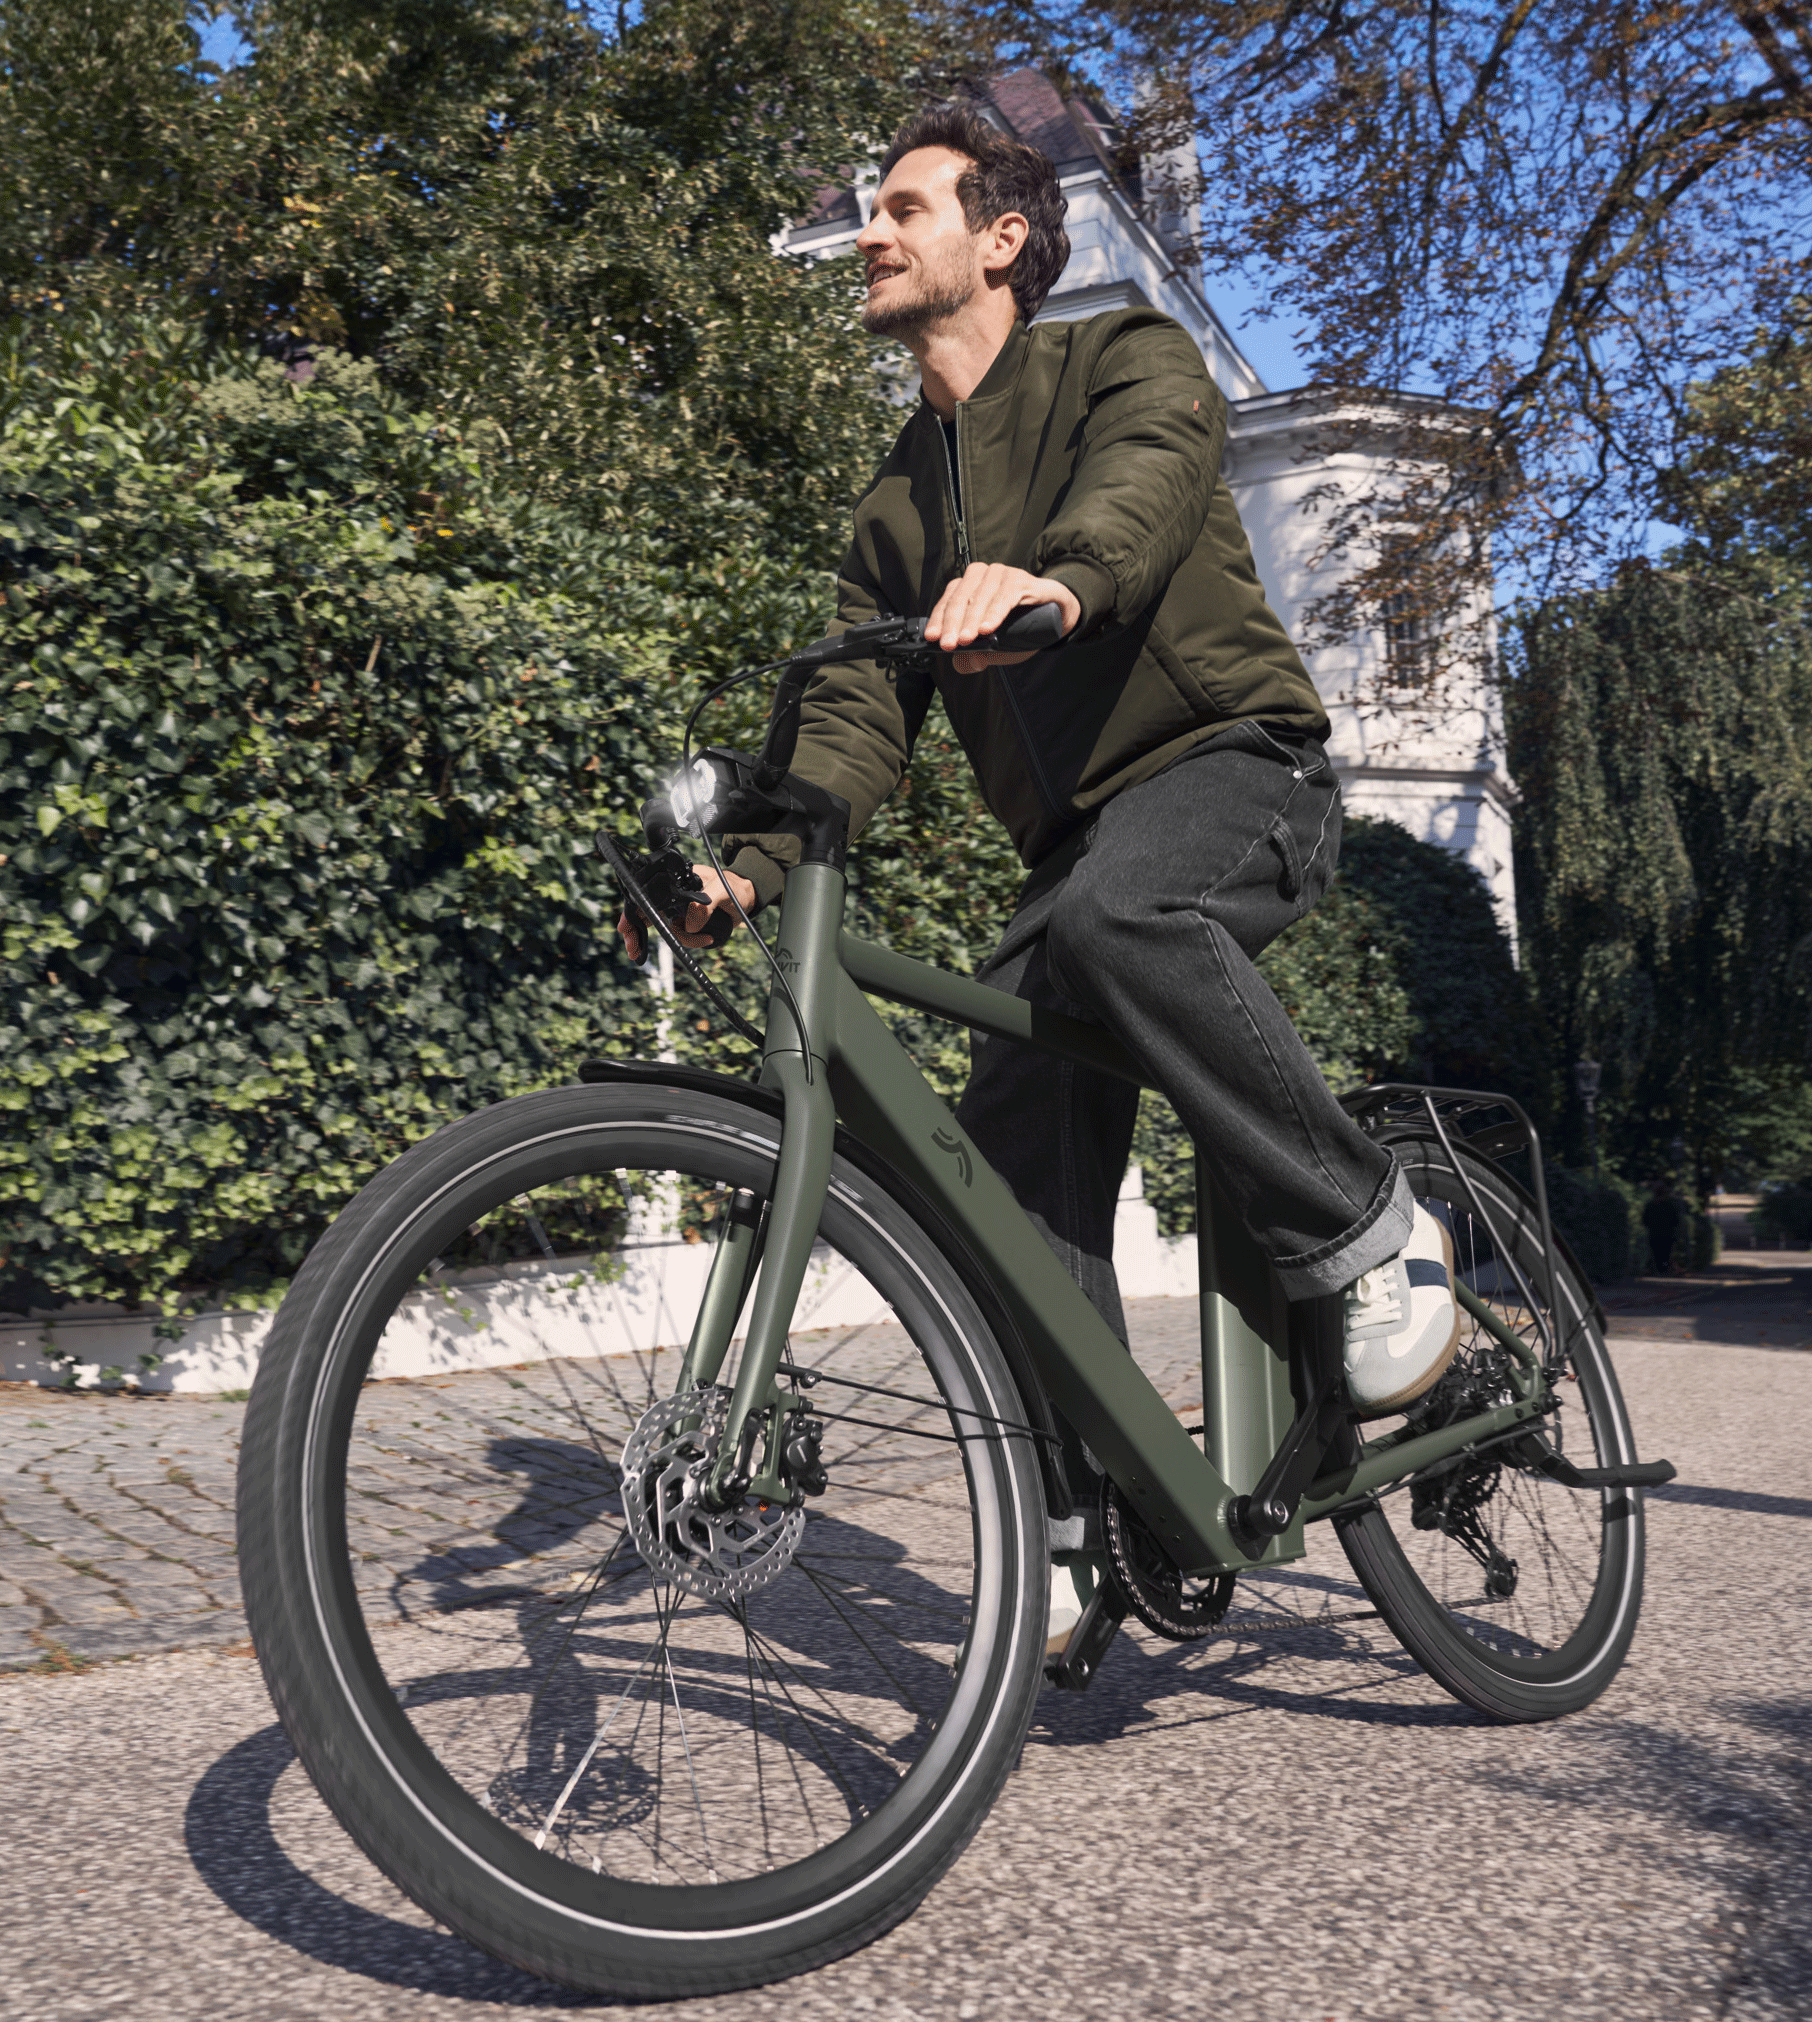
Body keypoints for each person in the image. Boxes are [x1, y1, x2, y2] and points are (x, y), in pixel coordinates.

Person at [619, 104, 1460, 1655]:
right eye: (869, 212)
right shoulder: (896, 505)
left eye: (903, 207)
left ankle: (1367, 1228)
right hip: (1078, 849)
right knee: (1003, 1149)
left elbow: (1146, 484)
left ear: (1003, 237)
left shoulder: (1119, 358)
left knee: (1122, 914)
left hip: (1233, 768)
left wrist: (1057, 580)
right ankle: (1087, 1516)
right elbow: (852, 717)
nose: (871, 232)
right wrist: (743, 872)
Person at [1643, 1180, 1685, 1275]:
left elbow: (1645, 1220)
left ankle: (1658, 1270)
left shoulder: (1651, 1205)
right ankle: (1665, 1270)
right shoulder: (1669, 1204)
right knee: (1666, 1253)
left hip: (1654, 1234)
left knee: (1656, 1253)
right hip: (1667, 1234)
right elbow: (1676, 1220)